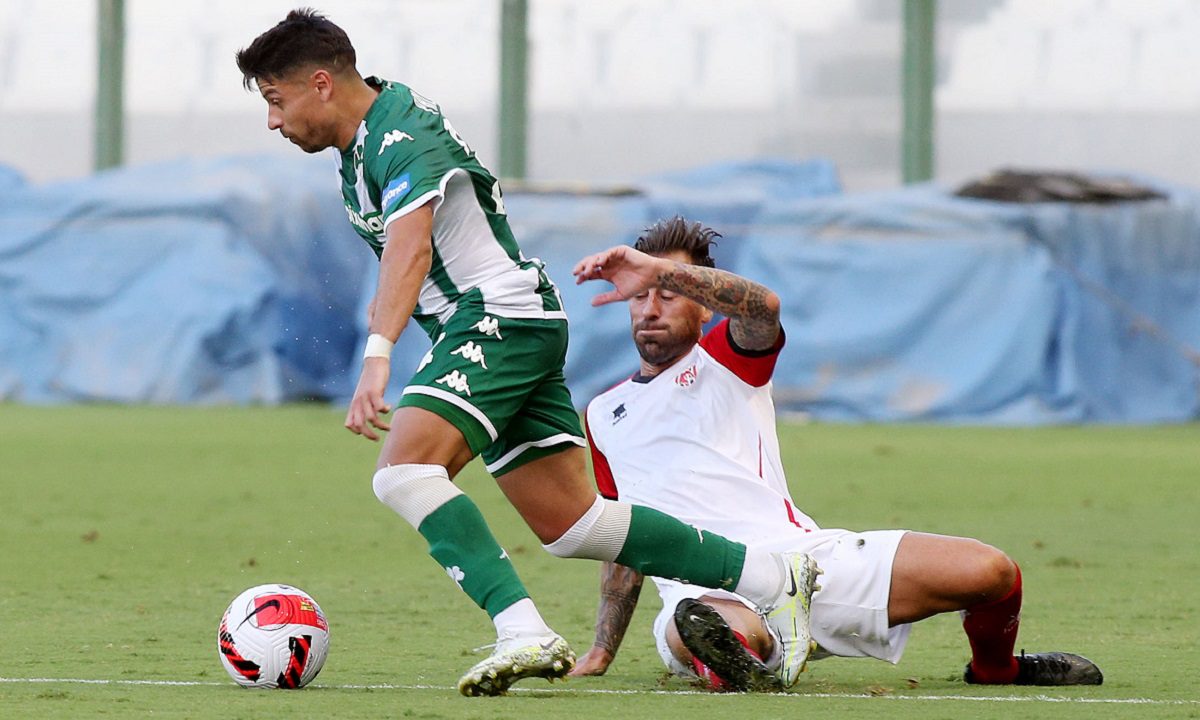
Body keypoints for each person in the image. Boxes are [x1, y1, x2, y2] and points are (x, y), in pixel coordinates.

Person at [235, 10, 820, 696]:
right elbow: (410, 258)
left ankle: (522, 630)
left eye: (275, 100)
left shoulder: (399, 135)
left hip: (498, 317)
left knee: (404, 472)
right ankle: (772, 576)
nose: (272, 121)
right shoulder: (361, 150)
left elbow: (411, 249)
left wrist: (378, 355)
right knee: (575, 525)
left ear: (320, 83)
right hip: (503, 320)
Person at [569, 217, 1103, 691]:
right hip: (709, 594)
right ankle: (743, 663)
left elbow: (763, 306)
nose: (650, 307)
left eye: (668, 292)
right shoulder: (602, 414)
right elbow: (623, 536)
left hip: (808, 564)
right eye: (640, 295)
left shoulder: (725, 360)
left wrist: (658, 269)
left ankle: (996, 670)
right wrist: (602, 646)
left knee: (991, 572)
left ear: (704, 305)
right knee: (699, 624)